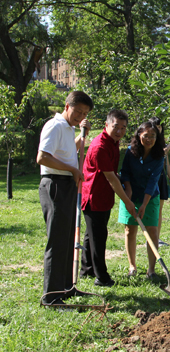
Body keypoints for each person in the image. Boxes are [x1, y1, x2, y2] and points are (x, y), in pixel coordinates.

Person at [37, 91, 93, 306]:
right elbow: (43, 157)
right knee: (58, 241)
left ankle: (66, 288)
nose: (80, 116)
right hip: (55, 184)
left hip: (67, 183)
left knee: (68, 239)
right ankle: (51, 297)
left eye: (85, 113)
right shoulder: (55, 125)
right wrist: (72, 169)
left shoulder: (68, 128)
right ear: (67, 106)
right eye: (78, 111)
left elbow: (66, 152)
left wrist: (81, 135)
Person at [79, 109, 138, 287]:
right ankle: (102, 277)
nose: (120, 131)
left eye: (123, 127)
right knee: (98, 236)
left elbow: (114, 174)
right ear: (106, 125)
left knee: (92, 234)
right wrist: (127, 202)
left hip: (104, 197)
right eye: (116, 127)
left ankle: (87, 269)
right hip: (94, 196)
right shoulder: (100, 147)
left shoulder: (113, 142)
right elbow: (111, 178)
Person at [118, 121, 165, 278]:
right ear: (139, 136)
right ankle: (132, 266)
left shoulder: (159, 156)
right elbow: (124, 172)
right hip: (130, 196)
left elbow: (153, 181)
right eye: (146, 136)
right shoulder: (131, 152)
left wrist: (144, 204)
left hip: (150, 197)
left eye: (153, 136)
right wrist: (128, 191)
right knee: (130, 230)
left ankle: (151, 270)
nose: (149, 139)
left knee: (152, 230)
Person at [149, 117, 170, 247]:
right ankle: (150, 237)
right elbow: (163, 153)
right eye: (155, 126)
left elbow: (166, 162)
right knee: (152, 209)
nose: (158, 128)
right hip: (151, 178)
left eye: (160, 126)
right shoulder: (150, 140)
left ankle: (157, 238)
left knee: (159, 210)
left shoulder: (162, 141)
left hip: (161, 178)